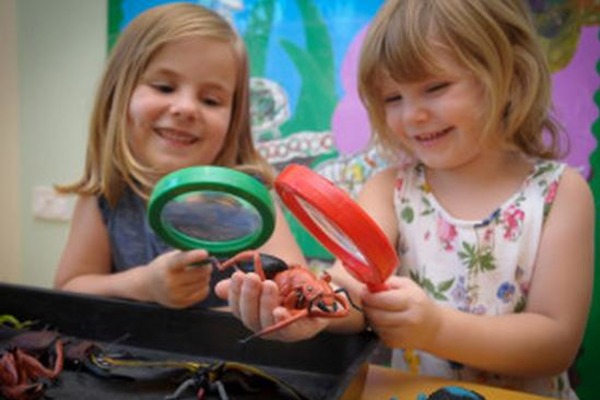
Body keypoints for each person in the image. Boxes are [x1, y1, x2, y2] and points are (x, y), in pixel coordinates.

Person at [215, 0, 595, 398]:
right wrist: (311, 314)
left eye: (435, 87)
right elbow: (351, 287)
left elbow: (555, 343)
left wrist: (437, 329)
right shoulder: (388, 188)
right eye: (392, 98)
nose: (412, 114)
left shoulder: (559, 193)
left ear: (509, 74)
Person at [53, 3, 305, 309]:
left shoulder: (249, 200)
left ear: (234, 120)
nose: (186, 108)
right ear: (118, 94)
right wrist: (143, 284)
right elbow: (68, 289)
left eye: (211, 100)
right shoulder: (108, 192)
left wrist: (253, 306)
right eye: (164, 87)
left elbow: (293, 288)